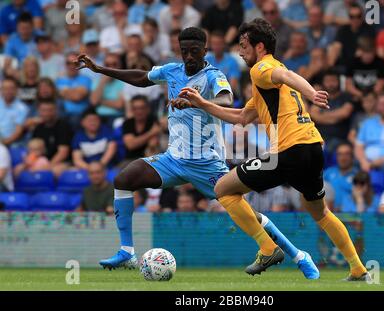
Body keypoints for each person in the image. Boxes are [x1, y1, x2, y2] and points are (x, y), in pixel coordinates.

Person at [75, 27, 317, 278]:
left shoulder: (214, 76)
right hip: (173, 159)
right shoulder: (171, 71)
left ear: (205, 50)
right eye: (184, 51)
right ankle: (127, 251)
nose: (189, 56)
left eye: (194, 51)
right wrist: (101, 69)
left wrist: (194, 100)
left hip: (207, 164)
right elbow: (142, 77)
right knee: (124, 179)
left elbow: (225, 100)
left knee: (249, 215)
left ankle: (299, 255)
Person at [178, 18, 369, 281]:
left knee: (223, 189)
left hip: (290, 151)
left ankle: (267, 247)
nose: (240, 51)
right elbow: (242, 117)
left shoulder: (263, 68)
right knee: (320, 212)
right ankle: (358, 268)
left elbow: (287, 76)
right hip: (312, 148)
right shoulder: (266, 83)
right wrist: (201, 104)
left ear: (259, 46)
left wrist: (312, 93)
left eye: (243, 45)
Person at [29, 99, 72, 177]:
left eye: (49, 110)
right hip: (41, 161)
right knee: (18, 170)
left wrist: (47, 166)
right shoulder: (38, 128)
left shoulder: (63, 126)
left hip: (61, 162)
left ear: (56, 111)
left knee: (54, 171)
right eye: (43, 110)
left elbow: (63, 153)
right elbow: (32, 149)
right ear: (39, 111)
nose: (46, 113)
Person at [324, 142, 359, 211]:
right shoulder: (328, 173)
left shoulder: (358, 175)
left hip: (351, 215)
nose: (343, 158)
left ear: (352, 157)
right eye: (340, 154)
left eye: (347, 154)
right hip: (330, 213)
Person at [0, 77, 30, 147]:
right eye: (5, 89)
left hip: (12, 143)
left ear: (16, 90)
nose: (8, 91)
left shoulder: (22, 108)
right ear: (1, 90)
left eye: (11, 88)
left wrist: (3, 143)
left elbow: (18, 132)